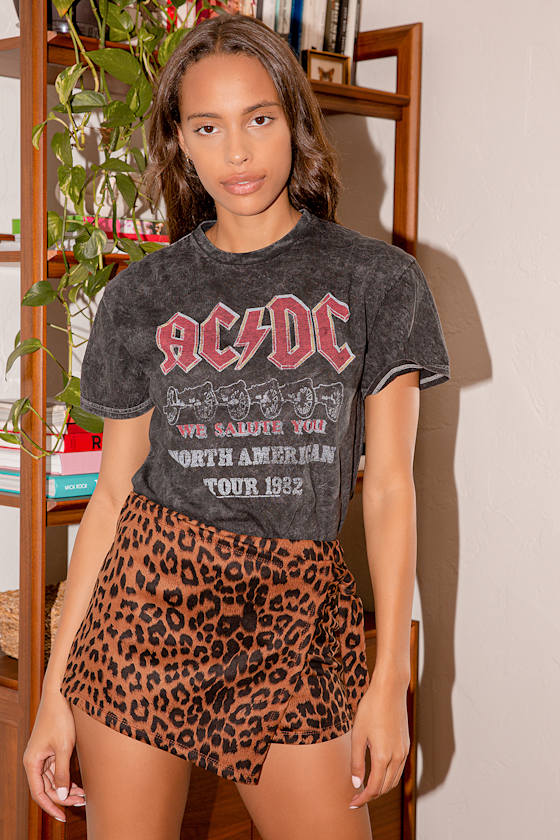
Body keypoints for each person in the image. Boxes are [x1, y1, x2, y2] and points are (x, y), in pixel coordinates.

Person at [22, 12, 450, 840]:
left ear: (294, 120)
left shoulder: (379, 283)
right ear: (180, 143)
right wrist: (54, 696)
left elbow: (391, 489)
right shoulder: (141, 296)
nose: (238, 152)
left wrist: (389, 676)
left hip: (298, 620)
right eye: (207, 127)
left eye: (259, 118)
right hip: (148, 609)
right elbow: (111, 499)